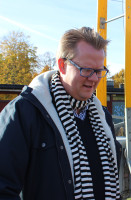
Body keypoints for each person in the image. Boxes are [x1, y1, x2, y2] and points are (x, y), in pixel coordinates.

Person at [0, 27, 121, 200]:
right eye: (86, 69)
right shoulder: (25, 112)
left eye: (99, 71)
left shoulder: (102, 116)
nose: (94, 79)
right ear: (62, 65)